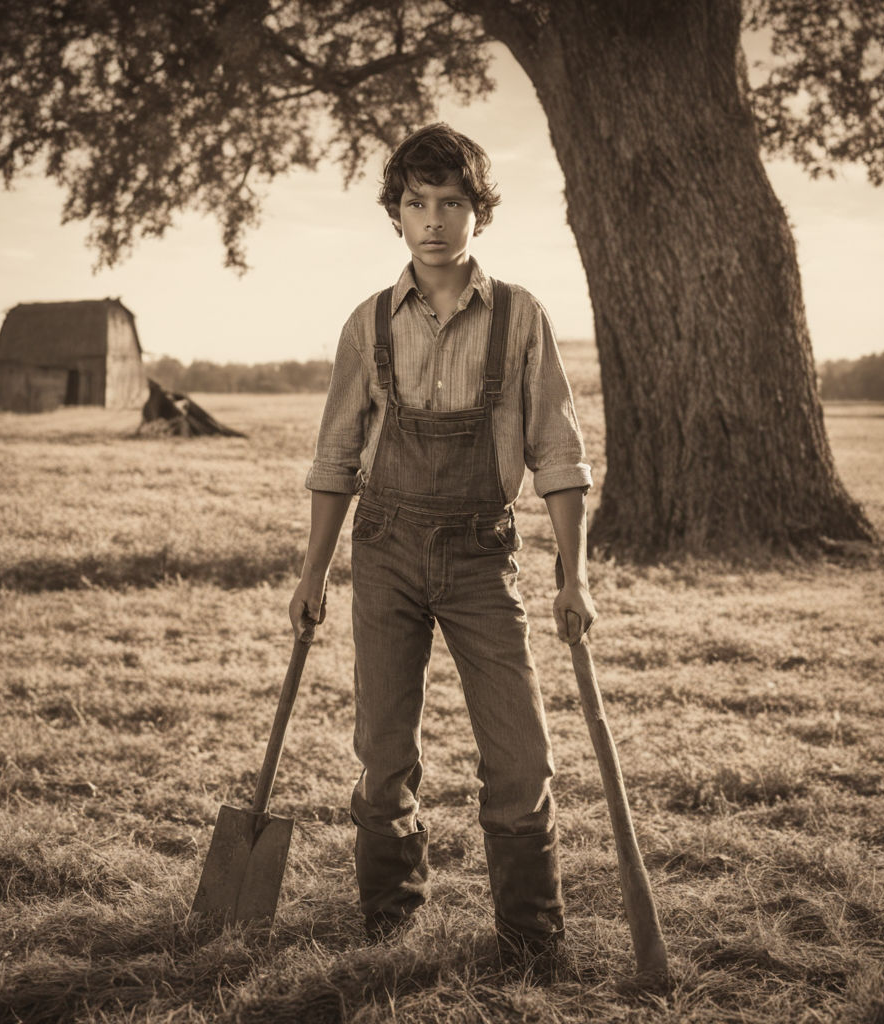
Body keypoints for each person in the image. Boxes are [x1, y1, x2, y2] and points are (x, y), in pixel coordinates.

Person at [289, 122, 596, 973]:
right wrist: (314, 570)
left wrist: (576, 576)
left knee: (521, 752)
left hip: (480, 554)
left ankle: (532, 938)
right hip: (383, 548)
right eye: (417, 203)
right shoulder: (368, 323)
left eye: (452, 203)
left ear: (478, 214)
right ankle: (390, 920)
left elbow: (560, 457)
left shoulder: (522, 317)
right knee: (384, 753)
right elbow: (335, 459)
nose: (434, 219)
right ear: (396, 214)